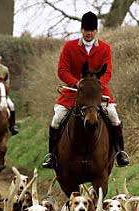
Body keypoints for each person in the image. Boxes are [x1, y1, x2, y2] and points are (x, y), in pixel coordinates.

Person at [42, 11, 130, 168]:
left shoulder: (105, 48)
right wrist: (76, 83)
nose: (89, 33)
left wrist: (97, 85)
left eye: (92, 30)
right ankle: (52, 155)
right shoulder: (69, 47)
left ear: (96, 31)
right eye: (86, 30)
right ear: (81, 30)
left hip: (98, 92)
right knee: (57, 119)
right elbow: (62, 70)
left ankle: (120, 153)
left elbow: (108, 71)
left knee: (113, 116)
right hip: (73, 92)